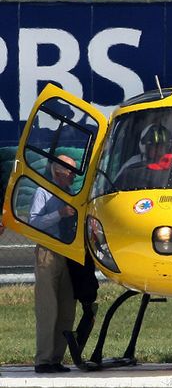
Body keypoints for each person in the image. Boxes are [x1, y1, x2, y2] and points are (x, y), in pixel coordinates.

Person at [28, 155, 78, 373]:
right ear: (59, 172)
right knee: (48, 308)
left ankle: (57, 357)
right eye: (70, 171)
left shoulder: (73, 193)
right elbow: (33, 222)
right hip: (48, 252)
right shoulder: (43, 191)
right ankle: (44, 359)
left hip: (69, 252)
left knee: (67, 307)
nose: (74, 175)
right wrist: (58, 214)